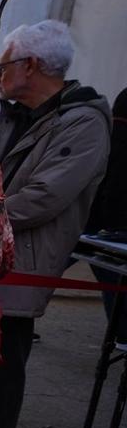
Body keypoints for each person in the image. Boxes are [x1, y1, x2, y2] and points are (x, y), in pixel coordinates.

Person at [0, 20, 112, 428]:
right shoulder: (18, 115)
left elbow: (45, 197)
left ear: (31, 66)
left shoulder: (84, 122)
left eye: (4, 66)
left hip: (24, 260)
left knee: (4, 355)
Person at [85, 87, 127, 346]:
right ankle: (122, 333)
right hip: (105, 214)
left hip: (101, 212)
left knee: (109, 270)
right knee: (109, 269)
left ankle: (121, 332)